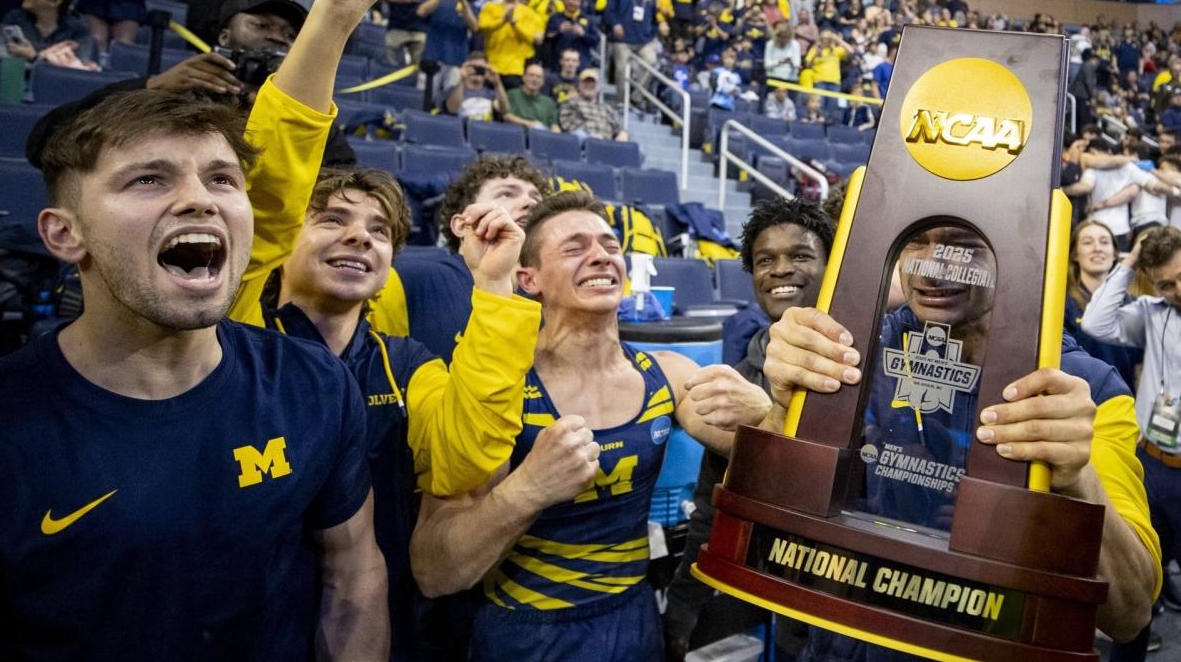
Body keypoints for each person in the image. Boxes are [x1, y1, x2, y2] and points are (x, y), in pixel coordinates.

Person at [0, 0, 397, 658]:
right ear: (64, 234)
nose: (200, 199)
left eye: (222, 180)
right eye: (148, 180)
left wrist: (340, 11)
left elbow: (353, 579)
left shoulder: (315, 383)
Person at [764, 223, 1161, 659]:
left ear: (1020, 252)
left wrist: (1075, 480)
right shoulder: (853, 346)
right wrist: (784, 403)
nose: (932, 268)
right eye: (917, 240)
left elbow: (1131, 612)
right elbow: (768, 517)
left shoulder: (1084, 389)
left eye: (963, 245)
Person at [407, 191, 771, 662]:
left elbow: (773, 468)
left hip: (635, 620)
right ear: (528, 278)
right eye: (575, 248)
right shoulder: (497, 389)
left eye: (610, 245)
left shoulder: (667, 374)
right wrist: (525, 492)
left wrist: (765, 413)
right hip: (527, 634)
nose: (601, 255)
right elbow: (434, 571)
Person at [249, 168, 542, 659]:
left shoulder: (406, 365)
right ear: (279, 245)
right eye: (331, 219)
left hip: (382, 627)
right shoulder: (232, 348)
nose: (360, 236)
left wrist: (494, 284)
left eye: (379, 230)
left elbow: (463, 461)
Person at [665, 198, 834, 660]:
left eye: (800, 255)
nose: (780, 270)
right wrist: (683, 604)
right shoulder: (739, 379)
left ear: (832, 265)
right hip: (788, 610)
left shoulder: (872, 362)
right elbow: (714, 502)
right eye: (765, 260)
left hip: (854, 602)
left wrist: (767, 417)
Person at [1082, 225, 1181, 634]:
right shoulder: (1152, 313)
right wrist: (1129, 262)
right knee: (1141, 579)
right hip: (1151, 464)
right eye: (1167, 284)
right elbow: (1096, 323)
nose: (1178, 290)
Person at [370, 155, 547, 364]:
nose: (531, 203)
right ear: (462, 225)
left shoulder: (550, 294)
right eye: (507, 194)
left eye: (536, 198)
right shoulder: (407, 280)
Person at [1065, 219, 1142, 389]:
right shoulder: (1064, 306)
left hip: (1124, 400)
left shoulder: (1135, 305)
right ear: (1075, 254)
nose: (1097, 248)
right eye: (1087, 242)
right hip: (1081, 400)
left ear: (1115, 254)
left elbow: (1140, 369)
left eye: (1104, 242)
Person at [1068, 138, 1151, 251]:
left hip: (1097, 224)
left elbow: (1084, 187)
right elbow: (1134, 191)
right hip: (1120, 227)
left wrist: (1062, 189)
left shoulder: (1092, 169)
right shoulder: (1128, 167)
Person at [0, 0, 95, 65]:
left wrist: (34, 57)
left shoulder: (77, 29)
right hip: (16, 76)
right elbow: (2, 57)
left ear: (54, 1)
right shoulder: (15, 18)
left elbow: (78, 69)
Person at [418, 0, 478, 110]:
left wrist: (463, 1)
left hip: (456, 60)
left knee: (450, 104)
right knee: (423, 100)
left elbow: (474, 27)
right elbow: (421, 11)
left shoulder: (470, 6)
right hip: (432, 58)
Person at [606, 0, 658, 107]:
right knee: (622, 69)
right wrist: (615, 24)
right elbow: (609, 10)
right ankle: (622, 102)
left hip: (643, 39)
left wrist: (653, 32)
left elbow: (654, 16)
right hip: (622, 39)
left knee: (652, 61)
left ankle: (636, 97)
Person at [478, 0, 542, 89]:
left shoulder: (530, 13)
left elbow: (531, 38)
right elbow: (482, 26)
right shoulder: (490, 7)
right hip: (491, 66)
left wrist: (514, 24)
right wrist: (502, 21)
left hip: (516, 69)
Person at [558, 68, 629, 141]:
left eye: (592, 82)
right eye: (586, 82)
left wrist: (622, 133)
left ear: (598, 87)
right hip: (583, 142)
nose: (589, 85)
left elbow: (619, 128)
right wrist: (591, 136)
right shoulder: (571, 102)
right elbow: (566, 124)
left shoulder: (607, 108)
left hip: (606, 143)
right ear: (579, 85)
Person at [543, 0, 598, 69]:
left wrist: (583, 34)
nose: (571, 2)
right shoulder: (555, 18)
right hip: (558, 66)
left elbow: (595, 41)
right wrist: (559, 31)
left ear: (580, 2)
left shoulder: (588, 19)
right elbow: (547, 39)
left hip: (581, 66)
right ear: (563, 0)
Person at [446, 51, 510, 120]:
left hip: (485, 125)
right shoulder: (455, 90)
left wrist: (497, 84)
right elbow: (452, 109)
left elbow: (504, 111)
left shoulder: (491, 94)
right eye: (474, 68)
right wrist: (462, 79)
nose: (477, 71)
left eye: (481, 68)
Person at [505, 62, 560, 132]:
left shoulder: (549, 102)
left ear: (543, 82)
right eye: (531, 75)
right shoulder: (512, 94)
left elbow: (554, 125)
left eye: (538, 77)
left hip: (541, 136)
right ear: (524, 77)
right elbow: (506, 116)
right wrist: (529, 124)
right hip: (515, 134)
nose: (534, 79)